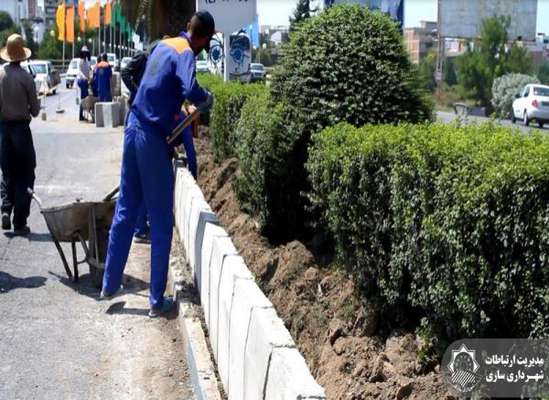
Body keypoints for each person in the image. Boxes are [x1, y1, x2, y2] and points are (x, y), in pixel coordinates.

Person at [101, 11, 215, 318]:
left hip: (133, 126)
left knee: (126, 209)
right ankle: (155, 301)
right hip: (151, 137)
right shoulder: (186, 52)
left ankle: (109, 284)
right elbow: (190, 89)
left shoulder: (165, 45)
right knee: (162, 220)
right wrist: (207, 98)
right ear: (203, 38)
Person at [0, 34, 40, 236]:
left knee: (7, 172)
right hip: (21, 130)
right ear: (22, 55)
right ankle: (19, 220)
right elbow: (34, 110)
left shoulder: (0, 74)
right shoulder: (26, 77)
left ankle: (5, 208)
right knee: (25, 174)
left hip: (4, 130)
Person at [77, 46, 92, 121]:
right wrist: (85, 77)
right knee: (84, 98)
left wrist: (90, 77)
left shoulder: (87, 62)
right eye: (84, 53)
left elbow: (89, 71)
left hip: (86, 81)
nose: (85, 54)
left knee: (86, 98)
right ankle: (81, 115)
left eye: (86, 53)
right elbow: (79, 72)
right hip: (82, 81)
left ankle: (84, 115)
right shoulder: (80, 61)